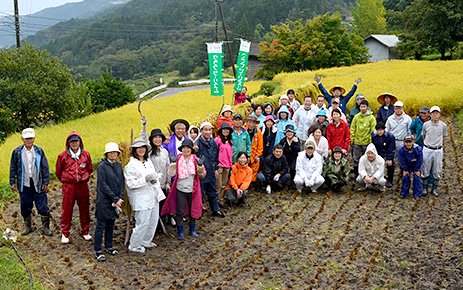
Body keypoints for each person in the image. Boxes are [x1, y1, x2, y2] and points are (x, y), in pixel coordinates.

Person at [125, 135, 165, 252]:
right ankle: (134, 244)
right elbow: (131, 184)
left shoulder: (148, 162)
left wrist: (154, 179)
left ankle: (146, 240)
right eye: (139, 148)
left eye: (143, 147)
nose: (141, 150)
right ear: (134, 150)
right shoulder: (130, 166)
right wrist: (145, 180)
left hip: (153, 195)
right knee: (142, 222)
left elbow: (153, 175)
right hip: (141, 198)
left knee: (152, 220)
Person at [10, 128, 52, 236]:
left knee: (42, 206)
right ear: (22, 139)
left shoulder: (39, 151)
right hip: (24, 183)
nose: (28, 141)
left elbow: (45, 167)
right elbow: (13, 168)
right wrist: (12, 182)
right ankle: (27, 226)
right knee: (25, 205)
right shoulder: (17, 152)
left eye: (30, 138)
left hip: (37, 182)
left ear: (34, 139)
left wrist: (46, 182)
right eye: (26, 138)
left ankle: (46, 227)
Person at [161, 139, 205, 240]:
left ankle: (192, 230)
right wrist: (173, 163)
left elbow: (202, 175)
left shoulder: (195, 159)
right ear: (182, 149)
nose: (186, 150)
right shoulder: (178, 159)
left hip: (193, 190)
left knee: (192, 210)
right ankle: (180, 232)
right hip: (180, 189)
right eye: (184, 148)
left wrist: (200, 166)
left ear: (191, 149)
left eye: (188, 148)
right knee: (180, 211)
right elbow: (171, 174)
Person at [56, 131, 93, 244]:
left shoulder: (85, 154)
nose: (74, 143)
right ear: (68, 143)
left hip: (82, 186)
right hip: (69, 186)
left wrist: (84, 177)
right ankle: (65, 233)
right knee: (67, 210)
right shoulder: (63, 156)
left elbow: (90, 169)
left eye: (76, 141)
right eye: (72, 141)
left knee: (84, 208)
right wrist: (66, 179)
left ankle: (85, 231)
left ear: (80, 142)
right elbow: (58, 172)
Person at [94, 142, 124, 262]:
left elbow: (121, 182)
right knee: (101, 226)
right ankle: (98, 251)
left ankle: (108, 247)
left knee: (111, 225)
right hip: (104, 201)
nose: (113, 154)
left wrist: (120, 197)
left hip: (116, 200)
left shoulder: (118, 165)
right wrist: (115, 198)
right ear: (106, 154)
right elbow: (103, 185)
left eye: (115, 152)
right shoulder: (102, 166)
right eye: (110, 152)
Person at [195, 122, 225, 217]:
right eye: (206, 130)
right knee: (200, 194)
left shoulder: (213, 142)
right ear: (201, 131)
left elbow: (216, 156)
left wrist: (216, 168)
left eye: (209, 130)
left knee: (213, 192)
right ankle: (198, 212)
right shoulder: (197, 144)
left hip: (211, 171)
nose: (208, 132)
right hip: (202, 172)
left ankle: (216, 210)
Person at [145, 125, 173, 227]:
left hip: (164, 184)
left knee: (163, 205)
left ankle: (163, 224)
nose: (157, 139)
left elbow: (168, 167)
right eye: (155, 138)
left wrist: (168, 182)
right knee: (154, 207)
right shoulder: (149, 153)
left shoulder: (165, 152)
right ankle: (154, 226)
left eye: (159, 137)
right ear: (151, 140)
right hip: (153, 185)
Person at [421, 106, 447, 197]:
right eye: (433, 113)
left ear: (439, 114)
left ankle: (434, 188)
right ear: (430, 114)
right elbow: (424, 136)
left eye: (437, 113)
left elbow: (443, 138)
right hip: (427, 149)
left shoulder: (443, 125)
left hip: (438, 150)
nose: (435, 115)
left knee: (437, 169)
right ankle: (424, 187)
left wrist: (438, 146)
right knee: (425, 168)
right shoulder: (426, 125)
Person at [350, 100, 376, 177]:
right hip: (357, 142)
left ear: (367, 107)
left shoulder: (371, 118)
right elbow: (352, 128)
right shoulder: (356, 117)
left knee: (367, 159)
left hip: (366, 143)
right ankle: (356, 173)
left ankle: (367, 174)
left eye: (364, 107)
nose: (363, 108)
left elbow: (373, 130)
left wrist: (370, 142)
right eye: (361, 107)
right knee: (356, 159)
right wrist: (352, 139)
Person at [371, 122, 396, 188]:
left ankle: (390, 180)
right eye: (378, 130)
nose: (379, 132)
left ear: (384, 129)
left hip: (387, 152)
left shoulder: (390, 136)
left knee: (390, 165)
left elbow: (391, 148)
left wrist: (389, 158)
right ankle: (377, 178)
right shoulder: (374, 135)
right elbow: (374, 146)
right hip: (379, 153)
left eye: (381, 130)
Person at [215, 123, 233, 209]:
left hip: (228, 166)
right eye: (224, 129)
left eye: (227, 130)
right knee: (218, 185)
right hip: (219, 166)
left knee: (223, 185)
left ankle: (221, 201)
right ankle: (217, 202)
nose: (225, 131)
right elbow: (214, 153)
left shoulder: (230, 141)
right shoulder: (217, 140)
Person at [244, 115, 263, 182]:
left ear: (256, 124)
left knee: (254, 169)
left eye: (253, 123)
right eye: (249, 122)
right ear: (247, 122)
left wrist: (257, 156)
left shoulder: (258, 132)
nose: (251, 124)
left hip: (254, 155)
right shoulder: (243, 130)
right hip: (244, 155)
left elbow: (260, 146)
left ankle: (251, 183)